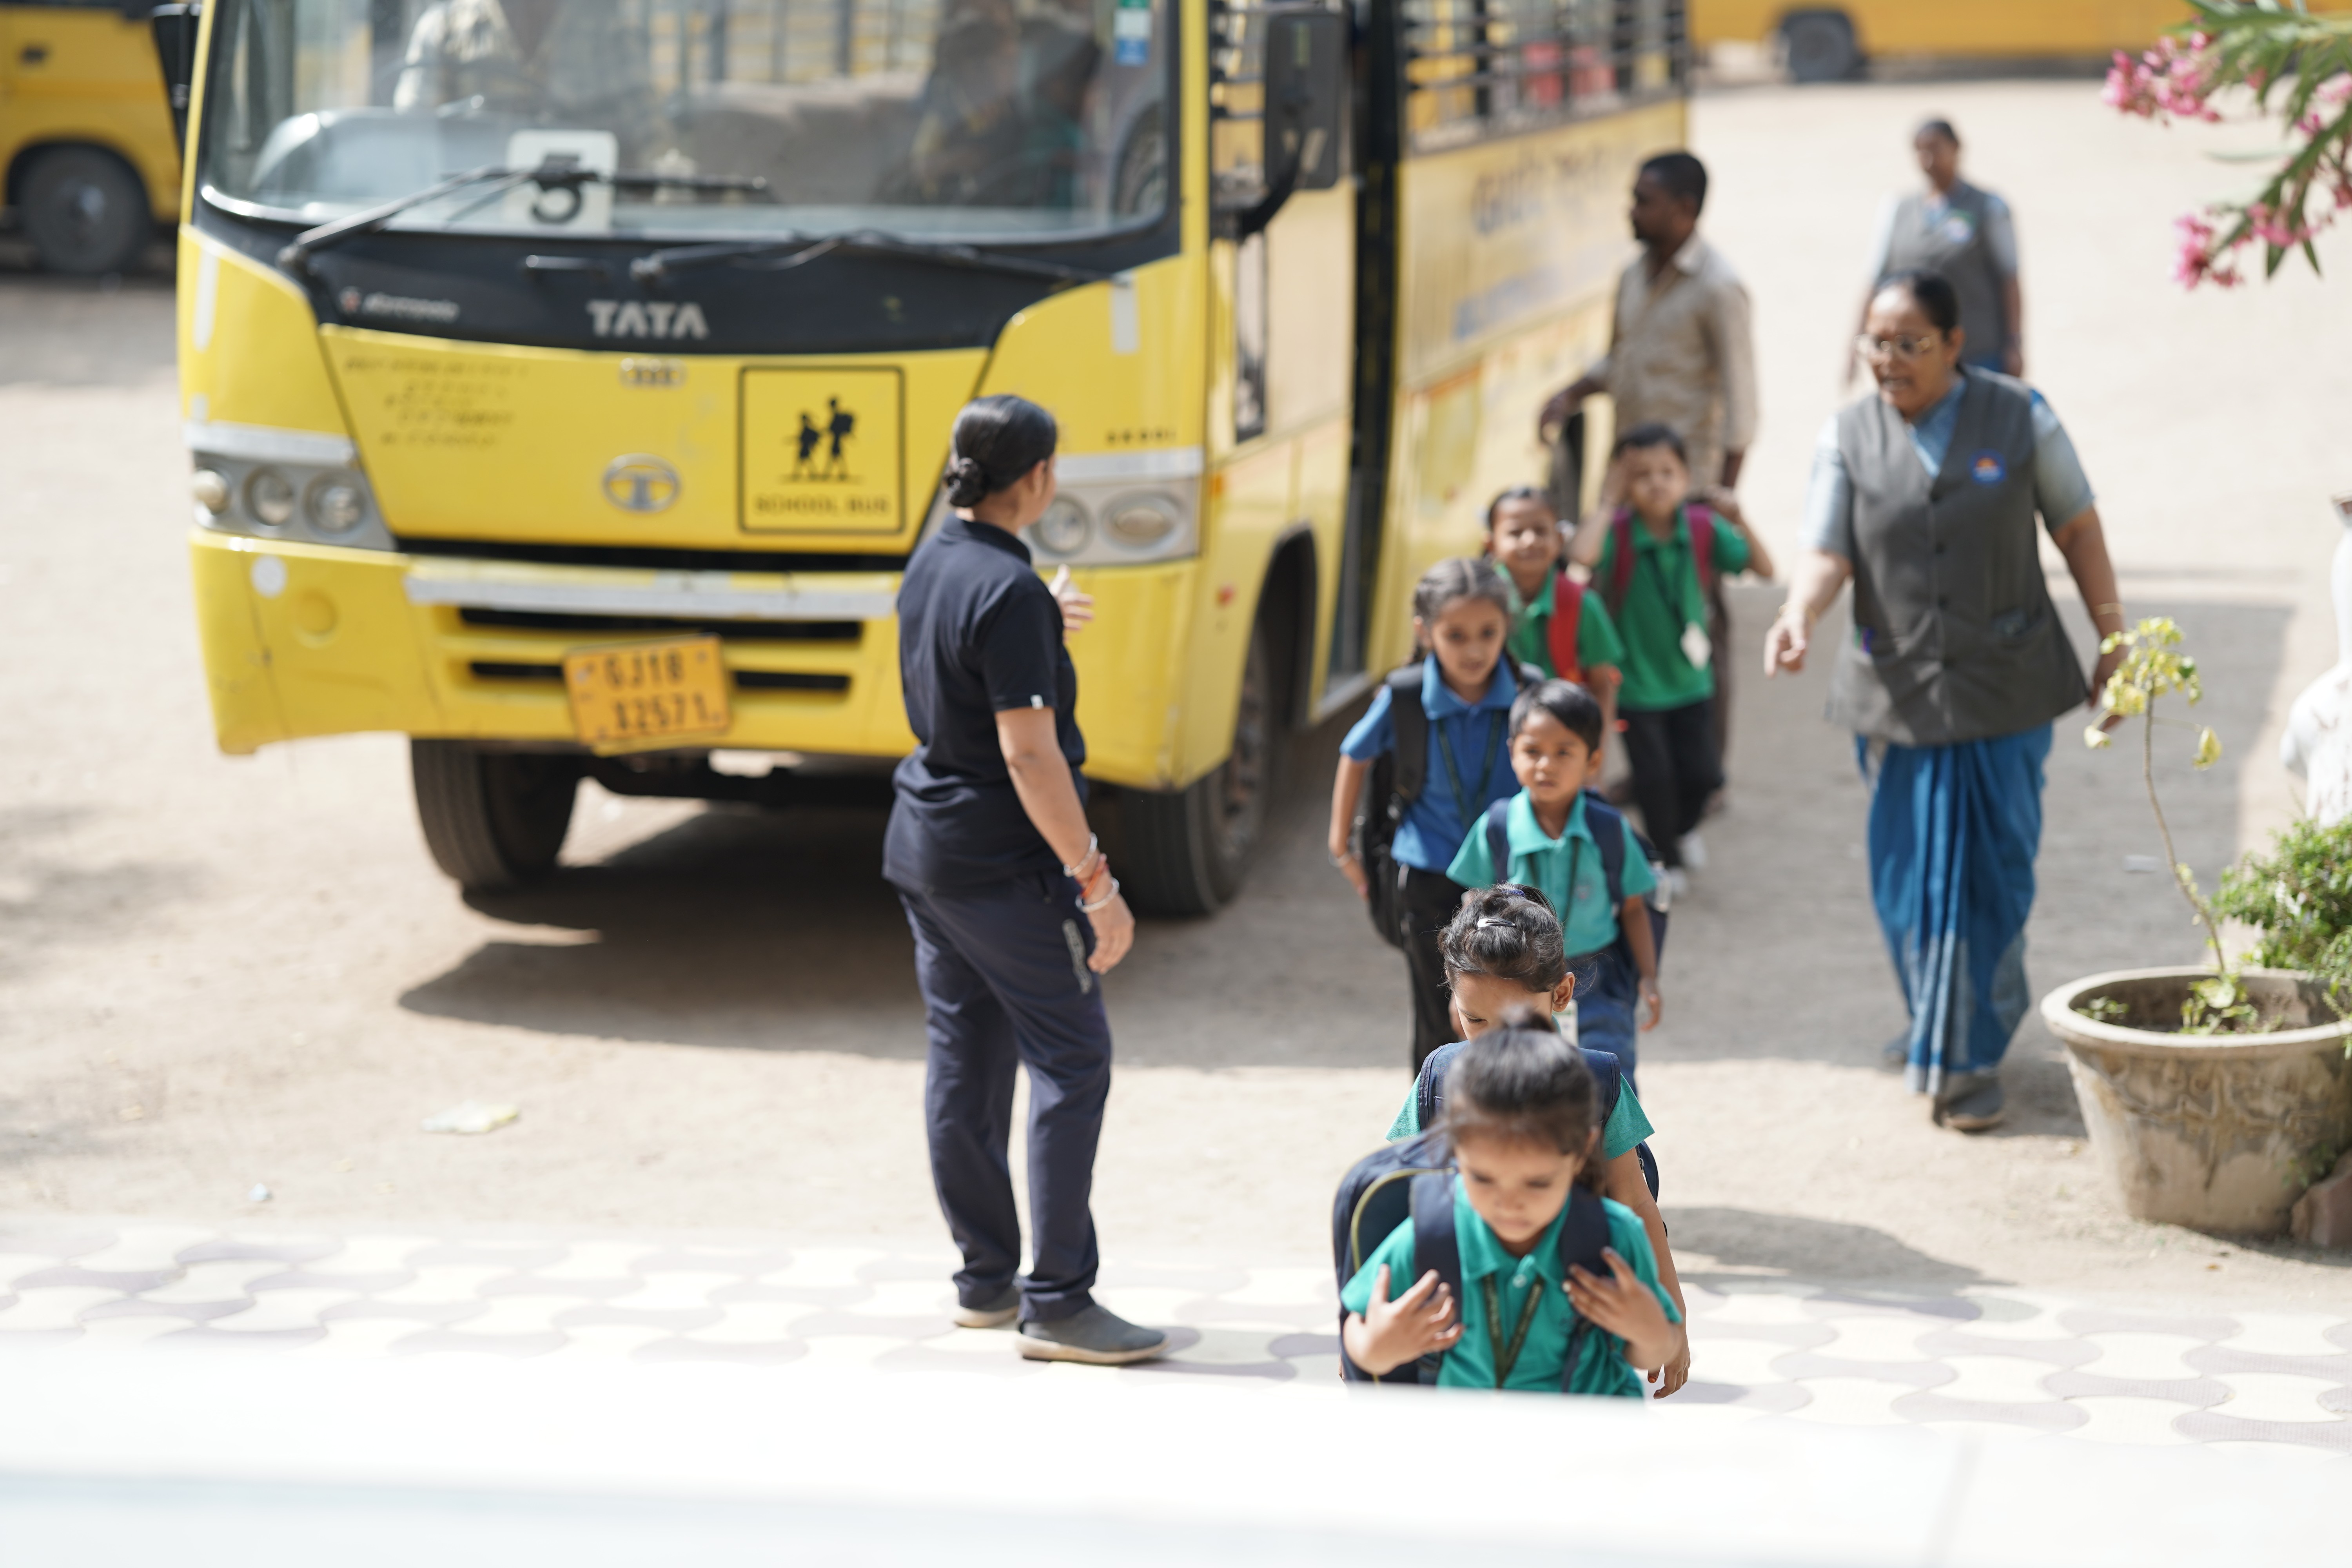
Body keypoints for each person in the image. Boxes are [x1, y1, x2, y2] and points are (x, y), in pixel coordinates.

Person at [1765, 270, 2126, 1134]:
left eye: (1910, 344)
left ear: (1955, 344)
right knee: (1907, 882)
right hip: (1897, 697)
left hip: (2006, 690)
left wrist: (2115, 636)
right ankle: (1939, 1023)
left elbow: (2077, 525)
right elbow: (1826, 549)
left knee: (1993, 877)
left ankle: (1967, 1059)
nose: (1888, 359)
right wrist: (1798, 613)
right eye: (1876, 343)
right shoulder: (1848, 434)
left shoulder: (2022, 416)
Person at [884, 394, 1166, 1363]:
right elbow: (1029, 754)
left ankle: (986, 1280)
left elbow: (966, 674)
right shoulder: (1009, 592)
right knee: (1073, 1059)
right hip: (1002, 863)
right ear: (1039, 477)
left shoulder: (936, 558)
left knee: (965, 1058)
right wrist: (1096, 879)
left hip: (927, 847)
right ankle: (1060, 1300)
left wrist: (1041, 624)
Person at [1383, 886, 1690, 1397]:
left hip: (1572, 1316)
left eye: (1514, 1022)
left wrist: (1671, 1316)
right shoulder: (1438, 1079)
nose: (1495, 1040)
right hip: (1466, 1323)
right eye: (1474, 1019)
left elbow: (1635, 1201)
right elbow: (1401, 1200)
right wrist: (1364, 1331)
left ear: (1562, 995)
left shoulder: (1598, 1083)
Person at [1538, 150, 1759, 775]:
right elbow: (1622, 360)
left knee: (1699, 632)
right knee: (1623, 625)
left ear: (1685, 210)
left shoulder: (1718, 288)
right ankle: (1646, 767)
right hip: (1628, 490)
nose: (1631, 211)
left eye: (1645, 201)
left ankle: (1705, 774)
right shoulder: (1633, 276)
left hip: (1685, 496)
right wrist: (1572, 393)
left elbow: (1742, 406)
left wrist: (1717, 509)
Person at [1340, 1007, 1685, 1395]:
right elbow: (1355, 1325)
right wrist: (1376, 1348)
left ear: (1583, 1151)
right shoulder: (1431, 1235)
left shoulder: (1615, 1238)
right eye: (1482, 1178)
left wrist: (1649, 1331)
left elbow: (1657, 1348)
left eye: (1537, 1183)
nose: (1509, 1203)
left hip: (1590, 1431)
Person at [1330, 560, 1524, 1070]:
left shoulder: (1529, 691)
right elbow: (1354, 753)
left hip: (1511, 879)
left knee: (1510, 1009)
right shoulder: (1406, 696)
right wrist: (1340, 848)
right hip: (1427, 874)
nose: (1474, 650)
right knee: (1437, 1017)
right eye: (1456, 635)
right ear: (1425, 631)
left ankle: (1500, 1108)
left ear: (1507, 626)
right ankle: (1434, 1111)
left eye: (1488, 633)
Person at [1569, 424, 1773, 891]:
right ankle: (1666, 858)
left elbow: (1765, 569)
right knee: (1654, 778)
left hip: (1693, 682)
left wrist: (1739, 518)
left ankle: (1681, 830)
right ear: (1623, 483)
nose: (1656, 483)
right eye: (1641, 475)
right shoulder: (1618, 532)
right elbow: (1582, 555)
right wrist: (1608, 502)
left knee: (1704, 774)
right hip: (1636, 686)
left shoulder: (1701, 528)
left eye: (1667, 471)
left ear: (1686, 476)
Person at [1443, 679, 1661, 1073]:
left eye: (1564, 752)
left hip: (1599, 976)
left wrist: (1648, 976)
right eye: (1533, 751)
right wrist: (1464, 986)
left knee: (1605, 1075)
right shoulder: (1497, 827)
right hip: (1514, 976)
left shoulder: (1609, 829)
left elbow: (1633, 908)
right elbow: (1475, 906)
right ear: (1513, 753)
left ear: (1593, 760)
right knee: (1519, 1076)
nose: (1546, 764)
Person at [1852, 119, 2023, 380]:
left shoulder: (1988, 207)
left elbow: (2009, 278)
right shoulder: (1897, 210)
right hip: (1911, 357)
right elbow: (1874, 281)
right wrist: (1856, 343)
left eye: (1935, 149)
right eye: (1921, 151)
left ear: (1956, 148)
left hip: (1978, 352)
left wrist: (2015, 344)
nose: (1929, 159)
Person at [393, 0, 666, 163]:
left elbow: (652, 143)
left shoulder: (609, 32)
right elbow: (411, 142)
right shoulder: (443, 29)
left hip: (583, 212)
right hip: (461, 215)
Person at [1483, 485, 1624, 745]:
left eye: (1540, 531)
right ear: (1491, 544)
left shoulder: (1583, 604)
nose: (1530, 541)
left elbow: (1602, 685)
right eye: (1515, 533)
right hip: (1490, 736)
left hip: (1560, 741)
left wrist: (1596, 748)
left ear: (1560, 540)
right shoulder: (1478, 604)